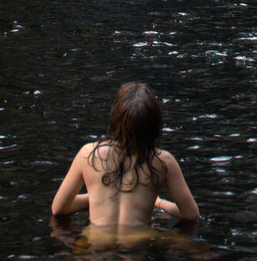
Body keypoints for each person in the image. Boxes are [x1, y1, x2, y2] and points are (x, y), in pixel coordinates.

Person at [51, 81, 199, 226]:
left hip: (97, 245)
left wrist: (95, 198)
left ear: (115, 117)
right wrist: (159, 203)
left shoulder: (88, 154)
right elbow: (191, 214)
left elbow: (58, 209)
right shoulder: (163, 161)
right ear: (154, 123)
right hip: (139, 245)